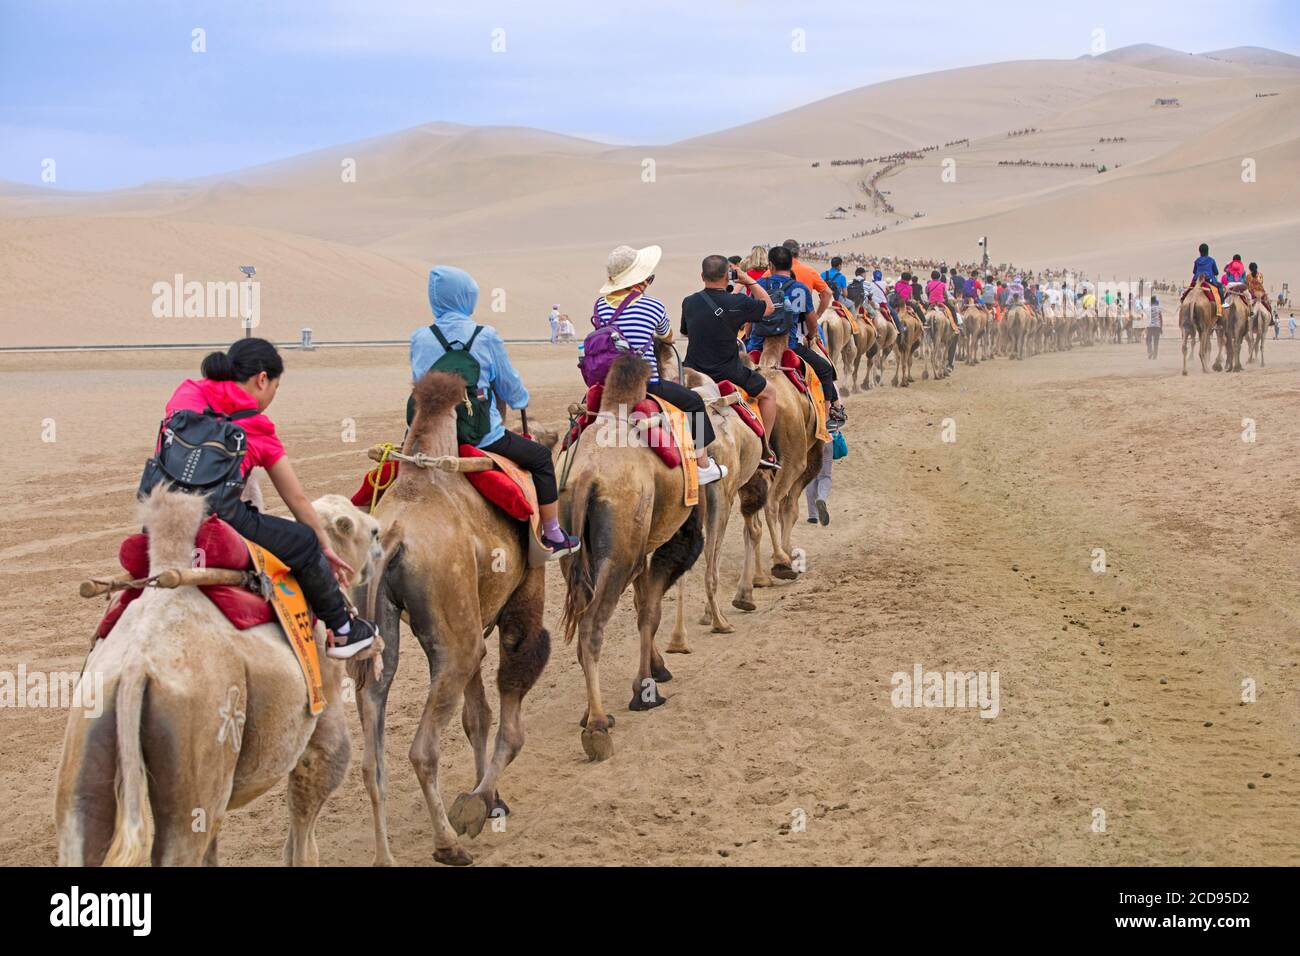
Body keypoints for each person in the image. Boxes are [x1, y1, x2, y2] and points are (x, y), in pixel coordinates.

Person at [161, 338, 378, 659]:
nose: (272, 396)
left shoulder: (187, 392)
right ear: (262, 379)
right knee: (302, 540)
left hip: (164, 512)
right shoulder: (256, 425)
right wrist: (323, 546)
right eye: (275, 388)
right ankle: (344, 629)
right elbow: (297, 498)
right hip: (216, 519)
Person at [412, 266, 581, 556]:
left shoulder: (420, 338)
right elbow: (509, 386)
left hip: (431, 437)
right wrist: (520, 400)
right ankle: (552, 534)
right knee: (541, 458)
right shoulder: (485, 336)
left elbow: (420, 384)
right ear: (467, 298)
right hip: (482, 436)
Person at [592, 244, 727, 485]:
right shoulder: (652, 306)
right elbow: (668, 336)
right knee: (694, 402)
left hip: (609, 384)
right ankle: (703, 465)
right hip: (647, 384)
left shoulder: (599, 306)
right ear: (640, 280)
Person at [681, 255, 780, 469]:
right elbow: (769, 307)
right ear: (728, 276)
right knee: (770, 393)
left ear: (702, 276)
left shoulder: (689, 302)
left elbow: (687, 333)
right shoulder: (739, 302)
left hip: (692, 370)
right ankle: (765, 449)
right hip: (728, 371)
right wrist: (748, 280)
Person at [746, 245, 846, 425]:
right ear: (791, 264)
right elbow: (811, 321)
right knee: (825, 369)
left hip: (757, 345)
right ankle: (827, 416)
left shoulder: (759, 285)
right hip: (789, 346)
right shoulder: (800, 289)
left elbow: (749, 320)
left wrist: (748, 337)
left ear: (771, 265)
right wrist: (812, 336)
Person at [1145, 295, 1162, 359]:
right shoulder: (1158, 308)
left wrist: (1146, 328)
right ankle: (1155, 355)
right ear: (1155, 301)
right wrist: (1161, 327)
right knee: (1156, 342)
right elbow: (1161, 318)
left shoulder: (1148, 309)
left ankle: (1150, 352)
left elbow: (1146, 319)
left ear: (1150, 302)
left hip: (1150, 327)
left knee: (1148, 340)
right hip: (1157, 327)